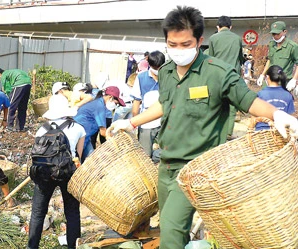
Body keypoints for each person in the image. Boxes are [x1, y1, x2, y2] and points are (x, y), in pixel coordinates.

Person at [106, 6, 298, 249]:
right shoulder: (165, 72)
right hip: (166, 164)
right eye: (172, 44)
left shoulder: (217, 72)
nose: (178, 50)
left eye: (185, 44)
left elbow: (247, 99)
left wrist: (277, 114)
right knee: (170, 229)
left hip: (194, 169)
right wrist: (131, 122)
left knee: (171, 235)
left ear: (199, 41)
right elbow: (165, 104)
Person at [28, 94, 86, 249]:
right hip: (68, 173)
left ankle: (32, 246)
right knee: (72, 212)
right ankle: (73, 246)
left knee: (37, 213)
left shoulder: (41, 130)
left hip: (44, 173)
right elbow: (78, 156)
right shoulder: (78, 128)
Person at [208, 15, 245, 140]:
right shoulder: (237, 38)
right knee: (232, 105)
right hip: (233, 76)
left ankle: (216, 132)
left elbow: (211, 58)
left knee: (216, 103)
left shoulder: (213, 38)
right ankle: (228, 133)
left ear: (218, 27)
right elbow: (241, 58)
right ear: (231, 27)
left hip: (217, 76)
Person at [73, 86, 125, 162]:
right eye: (116, 104)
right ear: (110, 97)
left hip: (85, 138)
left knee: (91, 160)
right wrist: (118, 139)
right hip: (78, 138)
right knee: (81, 161)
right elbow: (103, 132)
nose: (115, 106)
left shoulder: (99, 103)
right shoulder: (99, 106)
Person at [130, 50, 165, 156]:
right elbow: (136, 104)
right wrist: (136, 123)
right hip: (146, 122)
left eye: (160, 67)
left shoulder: (168, 77)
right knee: (145, 155)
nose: (158, 70)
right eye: (155, 68)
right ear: (149, 64)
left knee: (169, 153)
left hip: (164, 121)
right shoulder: (141, 78)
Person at [256, 21, 298, 92]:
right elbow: (269, 60)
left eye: (277, 34)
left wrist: (294, 79)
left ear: (285, 32)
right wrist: (262, 75)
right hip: (269, 81)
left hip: (283, 83)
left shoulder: (292, 47)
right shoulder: (271, 44)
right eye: (273, 34)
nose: (275, 36)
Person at [255, 65, 295, 131]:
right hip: (281, 131)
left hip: (261, 130)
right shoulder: (288, 95)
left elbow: (254, 115)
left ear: (267, 77)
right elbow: (290, 116)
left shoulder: (261, 94)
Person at [0, 67, 31, 132]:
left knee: (10, 106)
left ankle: (9, 126)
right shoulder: (9, 72)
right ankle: (20, 127)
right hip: (28, 83)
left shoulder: (3, 75)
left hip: (19, 83)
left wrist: (7, 101)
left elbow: (8, 90)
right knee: (22, 107)